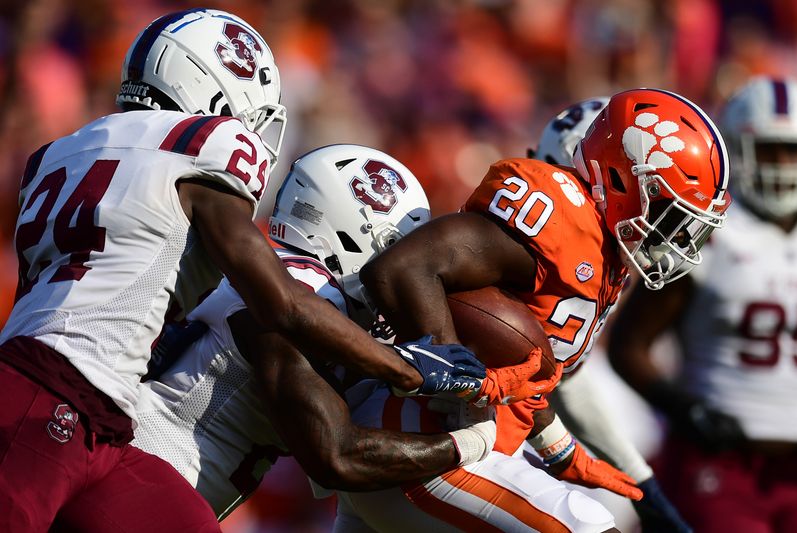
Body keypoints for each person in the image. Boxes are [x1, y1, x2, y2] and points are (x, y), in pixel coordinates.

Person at [0, 10, 498, 532]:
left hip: (100, 411)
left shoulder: (64, 150)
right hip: (66, 393)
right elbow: (287, 318)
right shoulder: (207, 153)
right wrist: (413, 373)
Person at [349, 88, 730, 531]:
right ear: (624, 179)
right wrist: (457, 377)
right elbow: (403, 269)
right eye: (670, 214)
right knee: (590, 525)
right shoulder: (560, 216)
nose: (677, 240)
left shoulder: (604, 253)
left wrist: (558, 446)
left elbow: (521, 362)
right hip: (424, 441)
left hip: (457, 445)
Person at [128, 144, 503, 521]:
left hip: (168, 483)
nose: (404, 269)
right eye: (397, 248)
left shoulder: (301, 289)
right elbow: (338, 457)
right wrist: (468, 443)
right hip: (151, 478)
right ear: (363, 236)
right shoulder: (303, 291)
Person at [608, 76, 797, 532]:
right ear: (736, 147)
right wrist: (681, 407)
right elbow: (629, 345)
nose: (785, 164)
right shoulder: (709, 231)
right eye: (771, 149)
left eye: (794, 150)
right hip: (721, 460)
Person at [529, 97, 691, 532]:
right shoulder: (542, 233)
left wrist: (642, 484)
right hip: (436, 434)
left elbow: (562, 376)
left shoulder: (598, 254)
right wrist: (564, 451)